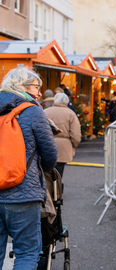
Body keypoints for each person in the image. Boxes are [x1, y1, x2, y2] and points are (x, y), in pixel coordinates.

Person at [0, 67, 58, 270]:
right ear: (21, 86)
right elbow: (51, 156)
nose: (39, 93)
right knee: (27, 253)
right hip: (23, 193)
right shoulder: (33, 111)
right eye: (36, 87)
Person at [44, 93, 81, 178]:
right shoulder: (71, 114)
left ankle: (48, 190)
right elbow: (76, 134)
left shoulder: (46, 111)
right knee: (59, 173)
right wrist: (74, 145)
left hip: (47, 144)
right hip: (63, 147)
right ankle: (57, 190)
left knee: (46, 173)